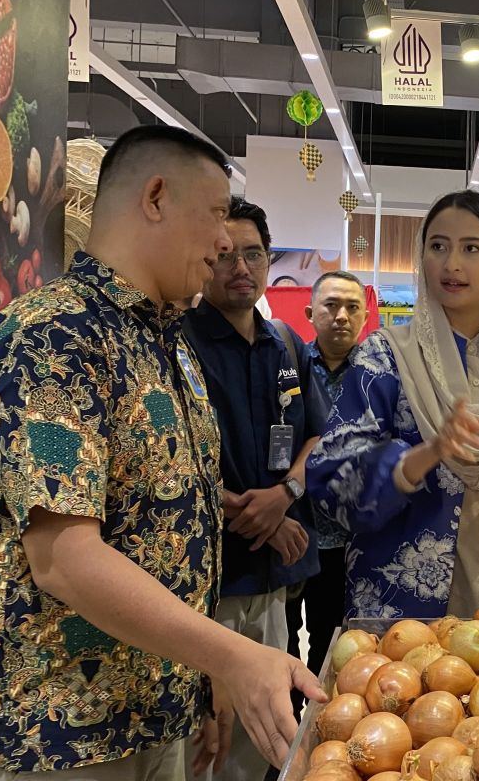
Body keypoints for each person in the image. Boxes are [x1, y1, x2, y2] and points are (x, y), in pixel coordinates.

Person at [0, 125, 324, 780]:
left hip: (157, 717)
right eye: (217, 214)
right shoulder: (56, 338)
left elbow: (168, 523)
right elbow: (64, 559)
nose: (225, 241)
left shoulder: (168, 346)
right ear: (156, 197)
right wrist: (230, 656)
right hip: (62, 732)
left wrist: (203, 677)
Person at [306, 191, 479, 620]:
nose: (451, 264)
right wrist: (424, 455)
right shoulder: (385, 355)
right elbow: (329, 476)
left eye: (471, 248)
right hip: (404, 604)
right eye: (438, 246)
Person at [181, 197, 328, 779]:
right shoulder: (179, 345)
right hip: (203, 582)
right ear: (206, 260)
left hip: (271, 582)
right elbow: (168, 459)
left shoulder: (285, 346)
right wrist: (253, 513)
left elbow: (318, 436)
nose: (240, 266)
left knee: (264, 725)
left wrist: (284, 496)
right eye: (226, 254)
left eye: (254, 253)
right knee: (203, 737)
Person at [286, 270, 369, 683]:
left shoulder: (375, 376)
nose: (341, 316)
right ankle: (284, 731)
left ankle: (319, 725)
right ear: (310, 312)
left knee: (330, 640)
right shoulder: (287, 367)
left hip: (345, 540)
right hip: (291, 528)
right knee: (283, 638)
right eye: (331, 305)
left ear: (365, 315)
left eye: (352, 307)